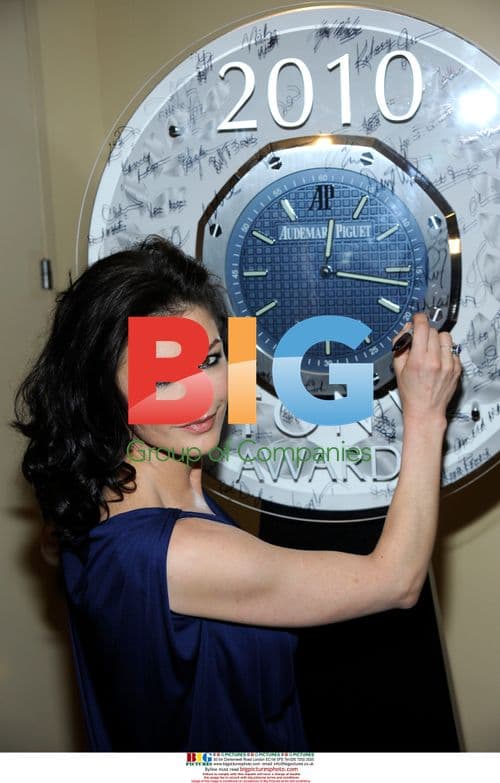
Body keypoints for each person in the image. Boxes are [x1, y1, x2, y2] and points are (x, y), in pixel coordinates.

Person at [10, 235, 463, 751]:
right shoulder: (179, 552)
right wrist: (426, 414)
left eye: (209, 361)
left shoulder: (94, 499)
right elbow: (397, 581)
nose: (200, 397)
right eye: (163, 380)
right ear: (104, 390)